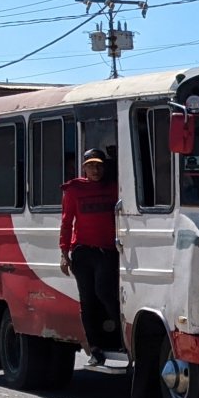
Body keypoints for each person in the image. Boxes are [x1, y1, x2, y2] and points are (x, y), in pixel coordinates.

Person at [59, 148, 120, 366]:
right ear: (84, 168)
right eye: (91, 166)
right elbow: (67, 221)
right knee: (87, 300)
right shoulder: (74, 190)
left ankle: (122, 336)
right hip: (83, 252)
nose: (95, 170)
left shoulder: (115, 189)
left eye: (99, 165)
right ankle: (95, 349)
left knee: (104, 291)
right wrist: (64, 253)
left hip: (108, 251)